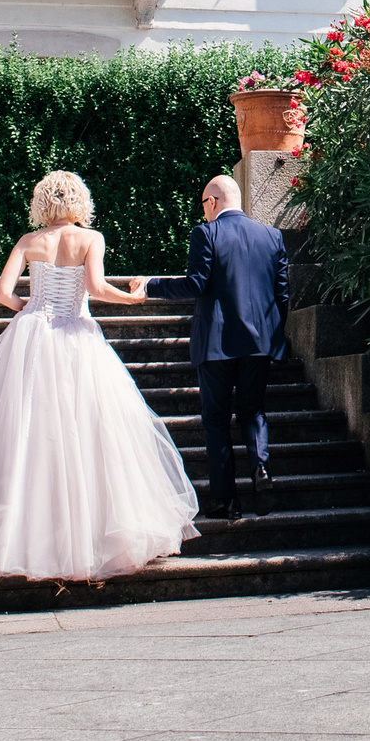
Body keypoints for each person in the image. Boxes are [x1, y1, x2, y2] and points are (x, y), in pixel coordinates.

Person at [0, 170, 198, 579]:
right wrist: (132, 298)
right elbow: (96, 288)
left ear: (42, 202)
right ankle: (86, 537)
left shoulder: (29, 242)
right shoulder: (90, 239)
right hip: (77, 336)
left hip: (32, 335)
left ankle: (18, 539)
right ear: (80, 200)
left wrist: (28, 305)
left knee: (26, 435)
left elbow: (1, 293)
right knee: (87, 433)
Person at [134, 175, 287, 520]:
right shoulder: (272, 236)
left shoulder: (207, 233)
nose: (203, 212)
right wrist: (275, 339)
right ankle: (261, 469)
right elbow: (282, 296)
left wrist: (151, 286)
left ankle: (225, 501)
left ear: (214, 201)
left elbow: (196, 283)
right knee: (253, 411)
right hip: (259, 344)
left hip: (217, 344)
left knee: (216, 420)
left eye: (203, 204)